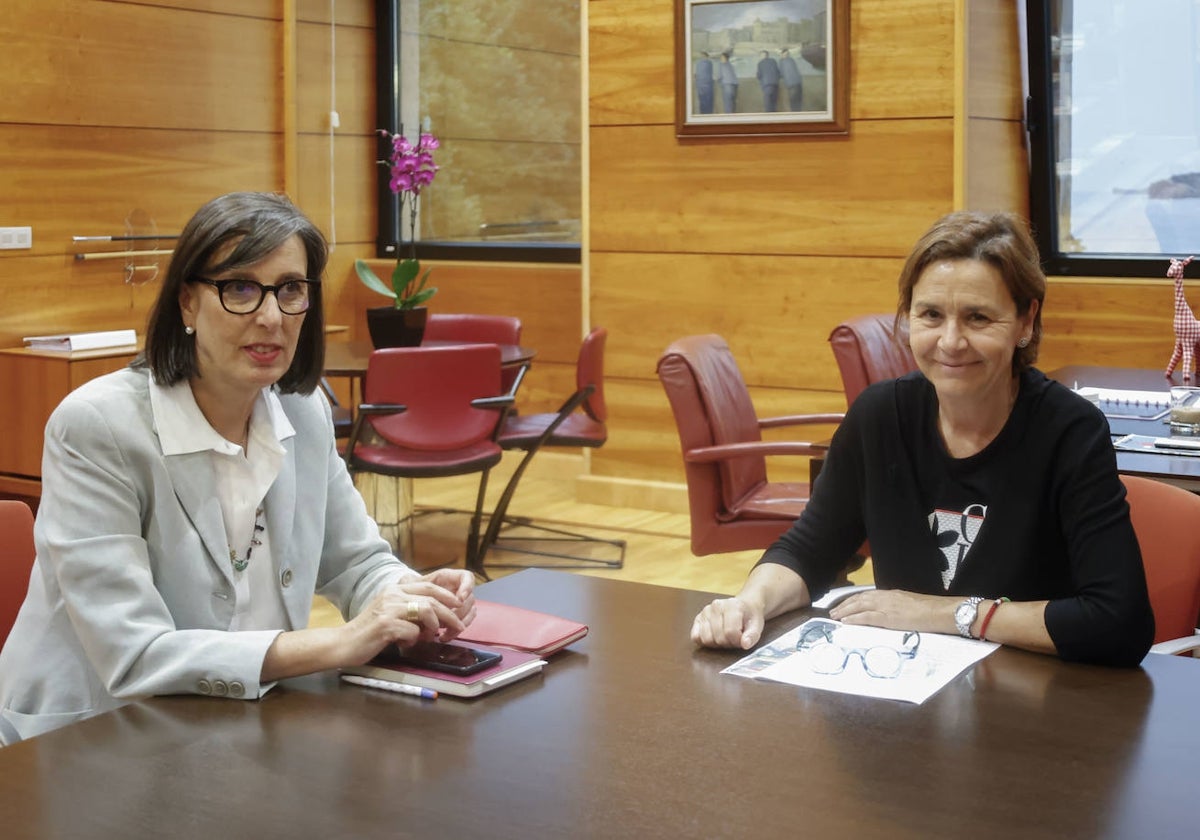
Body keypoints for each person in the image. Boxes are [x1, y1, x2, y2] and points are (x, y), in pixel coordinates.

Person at [0, 192, 477, 744]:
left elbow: (355, 562)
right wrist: (342, 643)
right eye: (240, 289)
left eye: (291, 290)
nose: (271, 317)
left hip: (241, 727)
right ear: (186, 303)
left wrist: (413, 596)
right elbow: (135, 655)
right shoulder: (95, 426)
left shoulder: (306, 410)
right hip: (92, 740)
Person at [691, 211, 1155, 668]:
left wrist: (945, 613)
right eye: (931, 315)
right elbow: (808, 551)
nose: (950, 342)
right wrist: (750, 602)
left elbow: (1118, 622)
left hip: (1032, 707)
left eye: (978, 318)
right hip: (904, 693)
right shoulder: (878, 417)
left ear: (1025, 322)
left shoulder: (1070, 431)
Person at [694, 51, 715, 115]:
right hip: (708, 85)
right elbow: (710, 74)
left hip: (700, 85)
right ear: (707, 56)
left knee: (702, 100)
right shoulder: (709, 63)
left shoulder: (698, 63)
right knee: (708, 100)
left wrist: (697, 81)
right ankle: (708, 113)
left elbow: (696, 75)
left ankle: (703, 113)